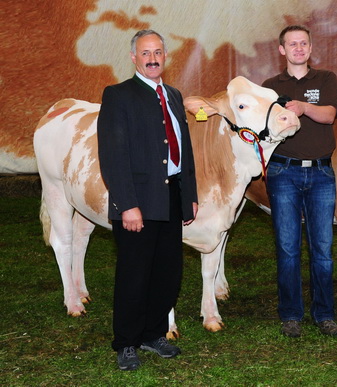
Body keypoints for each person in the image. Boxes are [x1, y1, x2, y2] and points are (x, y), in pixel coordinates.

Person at [97, 29, 198, 370]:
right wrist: (127, 204)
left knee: (168, 273)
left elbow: (185, 151)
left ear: (165, 56)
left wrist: (190, 196)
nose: (152, 58)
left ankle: (153, 333)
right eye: (145, 53)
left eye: (157, 52)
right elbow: (113, 155)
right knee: (134, 274)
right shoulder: (118, 95)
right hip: (138, 200)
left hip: (171, 196)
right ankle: (126, 341)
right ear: (133, 57)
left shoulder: (173, 94)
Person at [262, 25, 337, 338]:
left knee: (322, 248)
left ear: (310, 48)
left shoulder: (325, 79)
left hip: (321, 172)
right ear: (281, 49)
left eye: (303, 43)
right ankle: (291, 315)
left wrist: (304, 106)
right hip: (283, 172)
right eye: (292, 44)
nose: (298, 48)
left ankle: (324, 314)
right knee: (287, 247)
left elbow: (330, 115)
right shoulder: (270, 86)